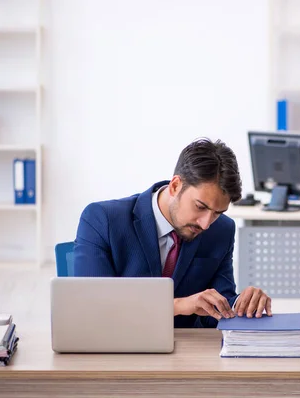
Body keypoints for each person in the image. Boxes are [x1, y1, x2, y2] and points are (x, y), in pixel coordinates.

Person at [73, 138, 272, 328]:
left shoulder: (222, 231)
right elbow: (94, 306)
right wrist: (177, 306)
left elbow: (218, 308)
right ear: (175, 185)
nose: (206, 224)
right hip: (117, 350)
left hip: (186, 355)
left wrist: (241, 304)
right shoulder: (102, 219)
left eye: (217, 213)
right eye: (200, 207)